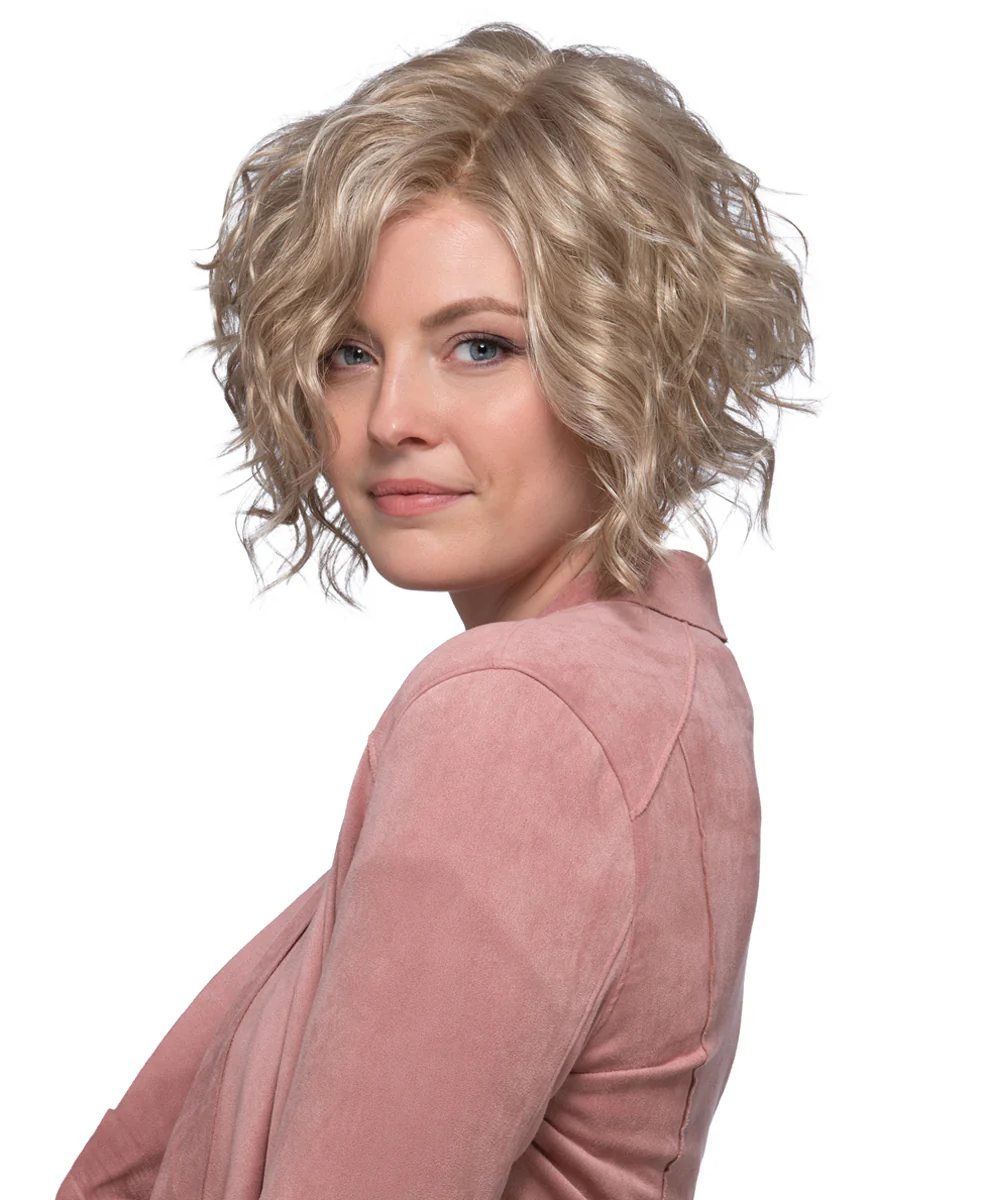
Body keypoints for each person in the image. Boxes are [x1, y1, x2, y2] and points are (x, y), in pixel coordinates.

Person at [57, 21, 814, 1200]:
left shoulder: (515, 715)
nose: (392, 417)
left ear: (626, 358)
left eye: (479, 346)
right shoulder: (670, 679)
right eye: (349, 352)